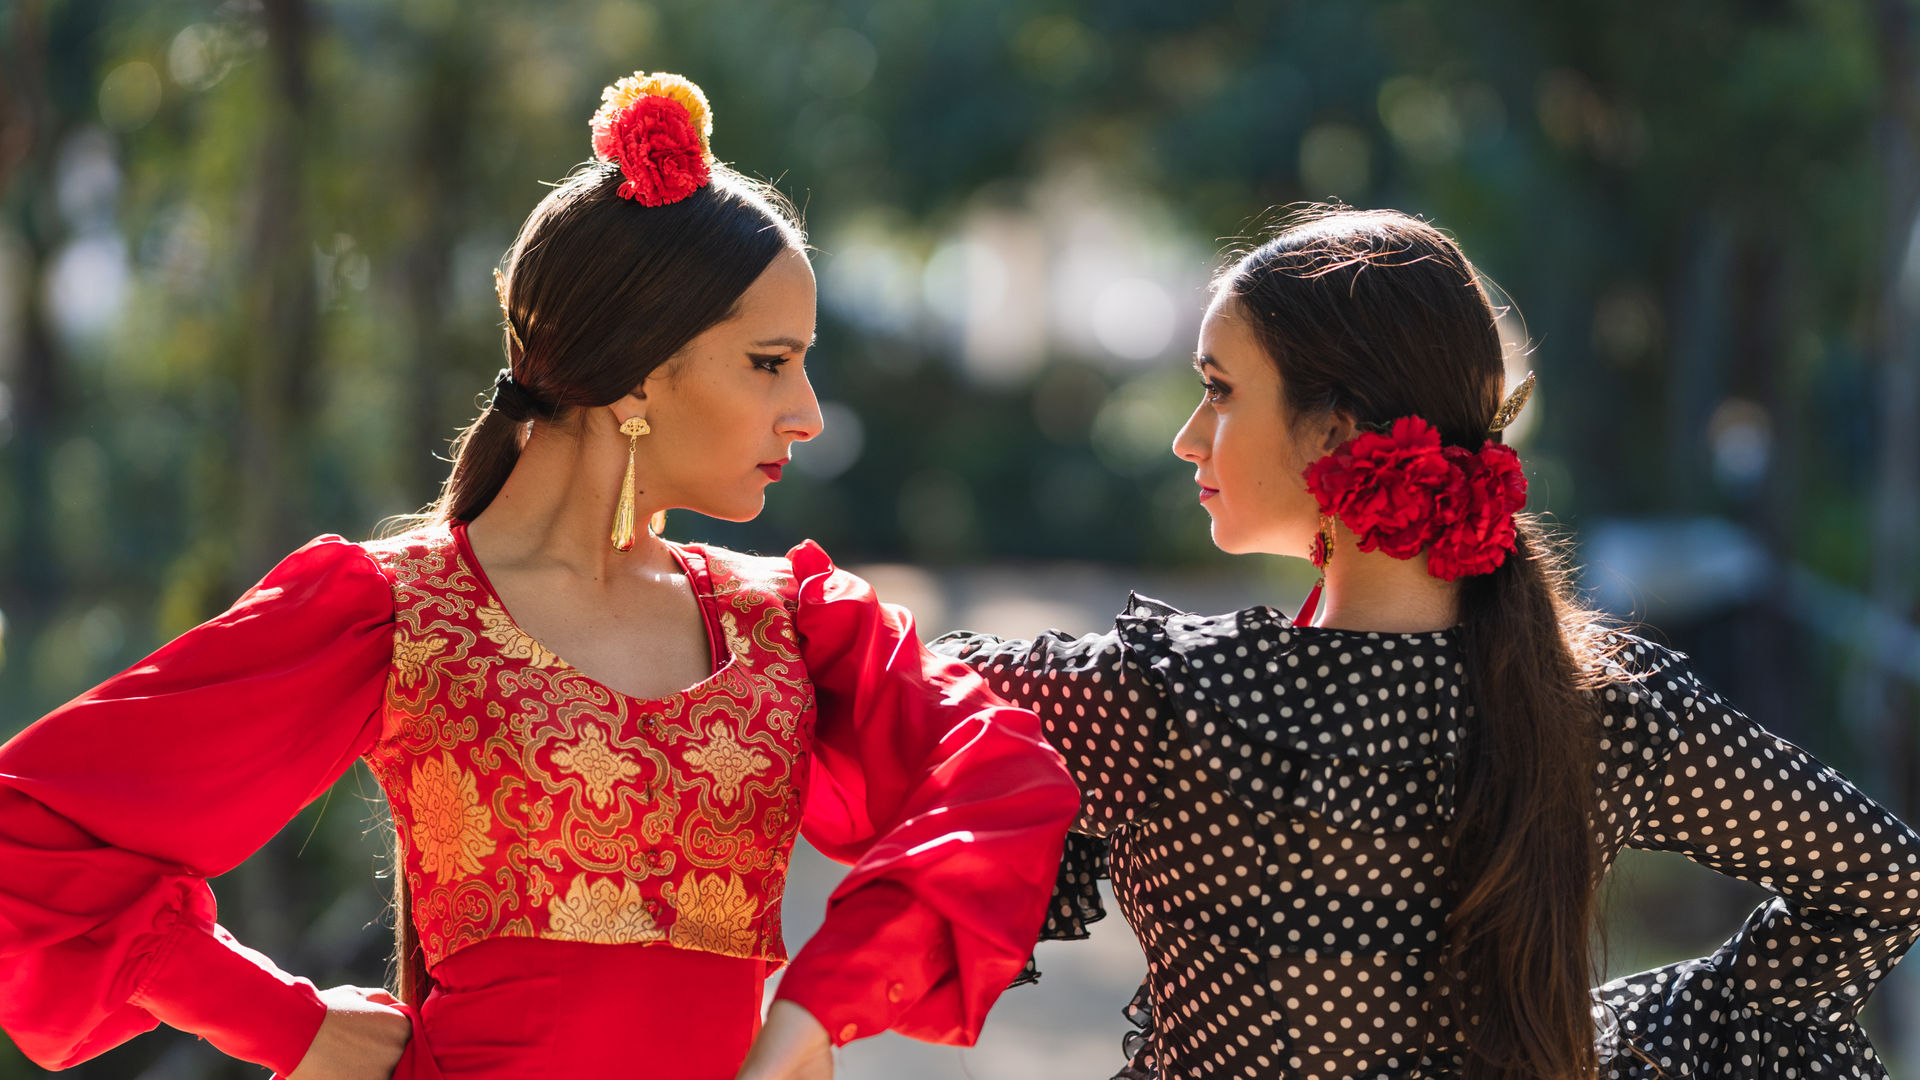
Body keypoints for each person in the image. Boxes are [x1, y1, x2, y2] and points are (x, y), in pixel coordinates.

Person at [0, 72, 1080, 1080]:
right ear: (642, 370)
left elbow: (998, 781)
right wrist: (281, 1020)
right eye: (770, 363)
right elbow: (27, 830)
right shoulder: (392, 612)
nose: (805, 411)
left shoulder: (794, 625)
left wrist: (811, 1011)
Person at [932, 206, 1920, 1080]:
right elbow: (1885, 879)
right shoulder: (1601, 707)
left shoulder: (1162, 699)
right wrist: (1616, 1037)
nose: (1191, 434)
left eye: (1220, 390)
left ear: (1336, 431)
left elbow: (893, 674)